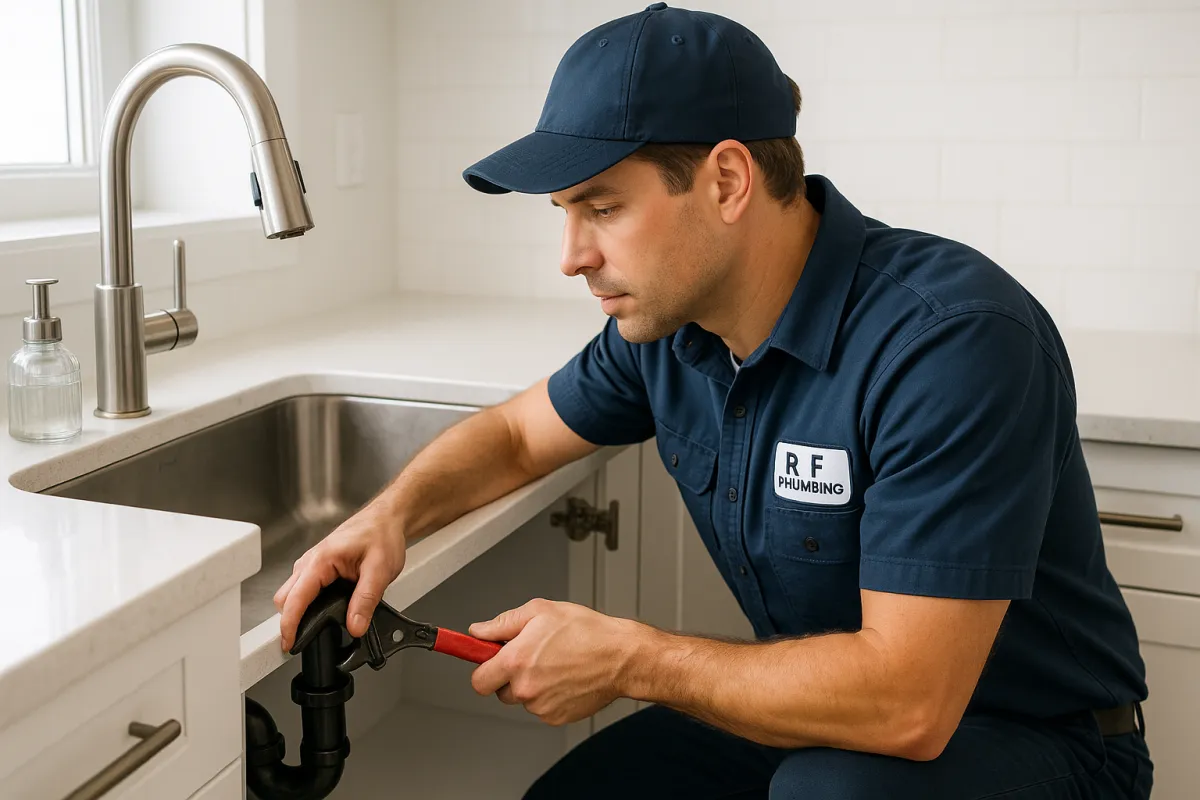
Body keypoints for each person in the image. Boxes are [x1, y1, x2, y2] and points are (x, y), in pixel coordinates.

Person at [273, 4, 1152, 798]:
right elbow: (512, 436)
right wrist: (390, 517)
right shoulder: (671, 333)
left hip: (1035, 743)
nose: (571, 254)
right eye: (563, 212)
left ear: (727, 182)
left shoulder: (951, 343)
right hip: (809, 710)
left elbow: (909, 704)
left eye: (603, 206)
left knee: (828, 798)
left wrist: (631, 659)